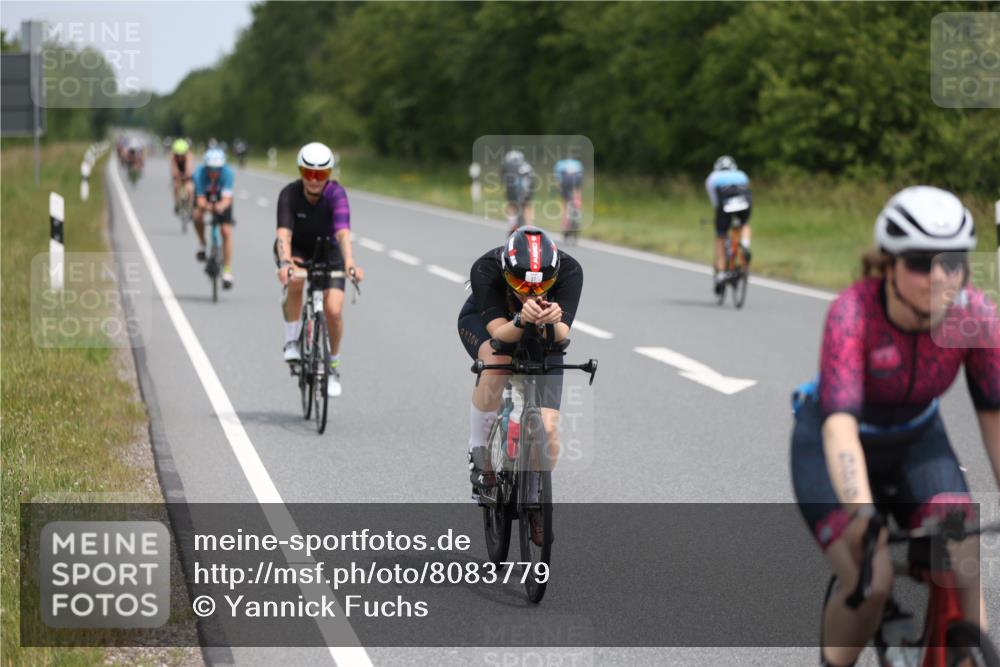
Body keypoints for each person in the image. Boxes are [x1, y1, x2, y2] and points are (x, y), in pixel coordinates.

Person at [789, 186, 999, 667]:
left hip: (917, 442)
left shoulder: (975, 317)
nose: (939, 278)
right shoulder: (853, 313)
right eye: (920, 263)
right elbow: (840, 427)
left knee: (963, 550)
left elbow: (995, 420)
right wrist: (862, 511)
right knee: (872, 579)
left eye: (953, 262)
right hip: (833, 445)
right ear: (888, 262)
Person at [458, 226, 583, 540]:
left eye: (542, 287)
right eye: (519, 284)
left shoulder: (569, 271)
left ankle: (536, 496)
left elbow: (562, 334)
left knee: (548, 426)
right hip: (491, 323)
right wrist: (521, 319)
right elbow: (500, 334)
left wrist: (552, 321)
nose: (531, 293)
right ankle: (479, 451)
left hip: (542, 332)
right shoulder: (486, 268)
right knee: (498, 363)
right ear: (506, 271)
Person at [274, 142, 364, 398]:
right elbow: (283, 234)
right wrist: (284, 262)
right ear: (300, 172)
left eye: (321, 174)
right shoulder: (289, 194)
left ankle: (333, 366)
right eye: (308, 173)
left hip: (329, 251)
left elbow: (343, 233)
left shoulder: (336, 194)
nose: (314, 180)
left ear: (329, 175)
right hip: (298, 250)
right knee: (295, 281)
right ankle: (292, 340)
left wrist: (350, 263)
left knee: (334, 309)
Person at [705, 155, 752, 295]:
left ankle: (720, 273)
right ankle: (744, 244)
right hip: (745, 201)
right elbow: (747, 189)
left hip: (725, 203)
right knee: (744, 225)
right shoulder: (742, 174)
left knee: (721, 235)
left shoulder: (712, 177)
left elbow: (715, 202)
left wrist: (719, 221)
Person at [192, 148, 236, 289]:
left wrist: (220, 207)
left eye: (217, 169)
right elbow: (200, 200)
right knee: (197, 216)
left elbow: (227, 199)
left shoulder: (228, 174)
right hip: (204, 197)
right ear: (205, 167)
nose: (213, 172)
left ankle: (227, 271)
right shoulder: (199, 174)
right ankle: (203, 243)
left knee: (226, 231)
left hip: (222, 199)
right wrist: (208, 207)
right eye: (210, 169)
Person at [500, 150, 537, 234]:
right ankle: (529, 226)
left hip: (512, 185)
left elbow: (503, 179)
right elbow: (532, 178)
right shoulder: (527, 164)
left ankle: (512, 223)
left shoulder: (507, 164)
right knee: (527, 205)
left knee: (511, 204)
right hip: (528, 185)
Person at [553, 158, 584, 236]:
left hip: (565, 180)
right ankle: (578, 210)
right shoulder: (577, 163)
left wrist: (559, 188)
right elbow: (581, 176)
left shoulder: (560, 163)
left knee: (565, 203)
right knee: (577, 195)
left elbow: (557, 179)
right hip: (577, 179)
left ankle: (565, 224)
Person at [170, 138, 195, 214]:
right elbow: (174, 168)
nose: (180, 156)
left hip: (186, 173)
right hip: (178, 173)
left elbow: (189, 168)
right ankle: (177, 203)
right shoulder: (173, 156)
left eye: (182, 154)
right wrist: (176, 175)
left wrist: (187, 175)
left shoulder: (189, 156)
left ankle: (191, 206)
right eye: (178, 154)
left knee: (190, 188)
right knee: (175, 186)